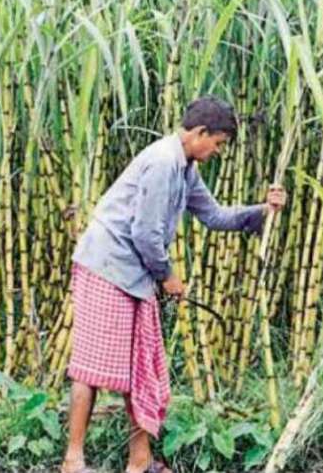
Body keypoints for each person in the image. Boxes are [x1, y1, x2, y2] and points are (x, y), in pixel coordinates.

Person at [60, 96, 287, 473]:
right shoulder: (164, 162)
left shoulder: (185, 168)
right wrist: (168, 277)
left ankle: (140, 461)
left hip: (133, 274)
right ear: (200, 133)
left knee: (140, 368)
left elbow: (214, 216)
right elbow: (145, 233)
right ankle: (73, 460)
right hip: (106, 267)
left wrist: (264, 211)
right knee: (90, 367)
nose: (218, 151)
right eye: (218, 143)